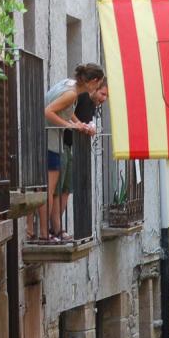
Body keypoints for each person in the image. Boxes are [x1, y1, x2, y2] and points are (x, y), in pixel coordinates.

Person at [38, 62, 104, 242]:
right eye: (99, 85)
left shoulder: (69, 85)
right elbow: (48, 112)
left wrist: (77, 123)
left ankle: (46, 232)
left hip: (48, 141)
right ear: (94, 81)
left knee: (49, 189)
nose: (98, 88)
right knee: (49, 190)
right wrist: (70, 126)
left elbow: (65, 111)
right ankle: (44, 234)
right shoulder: (71, 93)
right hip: (50, 142)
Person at [56, 78, 108, 229]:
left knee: (67, 189)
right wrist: (79, 125)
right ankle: (56, 229)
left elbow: (86, 121)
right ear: (94, 87)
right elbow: (68, 112)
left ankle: (57, 229)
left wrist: (89, 127)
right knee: (58, 190)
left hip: (71, 146)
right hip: (61, 143)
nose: (104, 99)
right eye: (102, 94)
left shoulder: (92, 103)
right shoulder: (81, 96)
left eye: (106, 96)